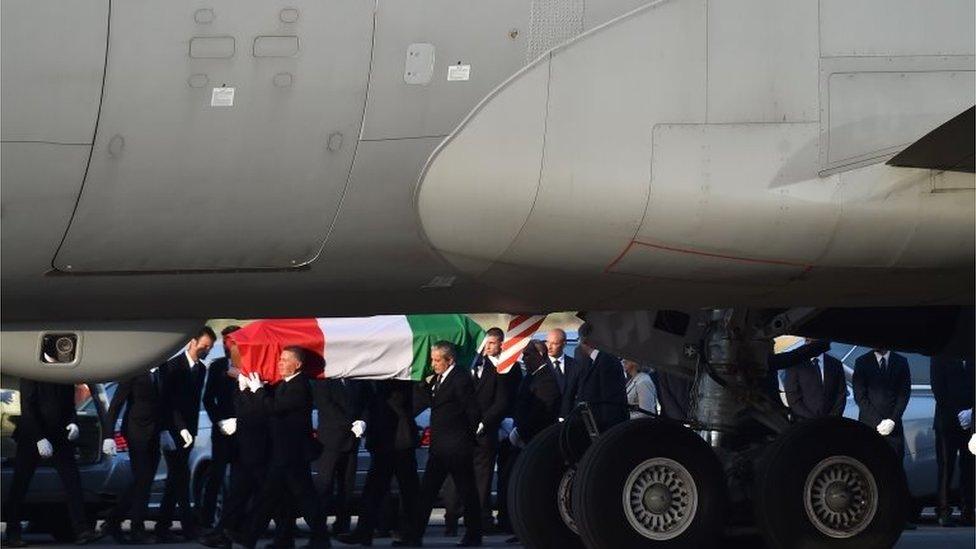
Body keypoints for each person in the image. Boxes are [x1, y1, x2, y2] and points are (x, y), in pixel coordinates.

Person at [235, 347, 331, 549]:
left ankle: (252, 539)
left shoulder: (300, 386)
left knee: (287, 498)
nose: (280, 362)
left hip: (291, 454)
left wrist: (258, 390)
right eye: (280, 358)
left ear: (297, 364)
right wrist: (250, 387)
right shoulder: (285, 385)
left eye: (285, 359)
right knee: (281, 498)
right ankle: (282, 539)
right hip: (284, 453)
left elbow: (274, 407)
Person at [4, 380, 100, 547]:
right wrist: (39, 438)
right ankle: (12, 532)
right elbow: (28, 409)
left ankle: (82, 530)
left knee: (73, 481)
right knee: (20, 484)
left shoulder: (62, 374)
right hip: (31, 437)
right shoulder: (31, 374)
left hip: (59, 436)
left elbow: (69, 403)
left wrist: (73, 422)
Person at [412, 341, 482, 547]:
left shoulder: (460, 379)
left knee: (467, 491)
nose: (433, 364)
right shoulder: (440, 378)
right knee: (427, 492)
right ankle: (414, 535)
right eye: (432, 360)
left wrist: (465, 438)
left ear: (449, 360)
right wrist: (424, 385)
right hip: (440, 448)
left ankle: (474, 534)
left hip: (457, 447)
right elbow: (433, 402)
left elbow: (472, 411)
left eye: (437, 360)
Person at [337, 380, 420, 546]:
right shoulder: (372, 381)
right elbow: (364, 402)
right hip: (382, 440)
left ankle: (412, 535)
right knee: (373, 489)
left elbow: (408, 401)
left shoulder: (401, 379)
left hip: (400, 440)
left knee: (408, 490)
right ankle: (364, 532)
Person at [155, 326, 216, 541]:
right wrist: (172, 430)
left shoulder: (201, 370)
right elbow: (167, 403)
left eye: (209, 348)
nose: (206, 351)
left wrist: (189, 429)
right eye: (203, 346)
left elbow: (192, 403)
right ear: (192, 341)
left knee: (176, 480)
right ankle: (185, 527)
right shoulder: (171, 367)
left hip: (188, 432)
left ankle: (164, 527)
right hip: (172, 431)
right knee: (179, 479)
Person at [100, 369, 164, 544]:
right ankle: (137, 528)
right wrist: (108, 435)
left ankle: (113, 520)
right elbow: (116, 404)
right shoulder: (134, 372)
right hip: (137, 432)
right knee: (142, 479)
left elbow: (165, 403)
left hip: (154, 433)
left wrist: (167, 431)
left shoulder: (161, 372)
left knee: (144, 481)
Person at [311, 377, 366, 536]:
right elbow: (327, 406)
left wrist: (363, 421)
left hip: (351, 441)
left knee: (347, 485)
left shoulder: (357, 381)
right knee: (325, 485)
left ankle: (343, 524)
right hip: (330, 441)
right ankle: (319, 526)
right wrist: (351, 423)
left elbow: (366, 403)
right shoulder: (324, 382)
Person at [199, 325, 242, 530]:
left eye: (231, 341)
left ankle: (236, 519)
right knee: (216, 475)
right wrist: (219, 420)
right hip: (223, 429)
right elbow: (208, 399)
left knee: (240, 476)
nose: (227, 345)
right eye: (225, 341)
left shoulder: (249, 364)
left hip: (244, 429)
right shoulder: (217, 367)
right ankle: (207, 520)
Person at [930, 355, 975, 526]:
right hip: (946, 422)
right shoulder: (940, 357)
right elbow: (938, 389)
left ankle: (968, 511)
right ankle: (943, 511)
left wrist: (972, 412)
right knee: (946, 467)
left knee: (969, 467)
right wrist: (958, 413)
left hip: (971, 422)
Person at [560, 326, 629, 431]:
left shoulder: (607, 361)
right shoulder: (589, 362)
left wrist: (606, 431)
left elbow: (610, 400)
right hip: (591, 425)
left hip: (606, 428)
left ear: (585, 340)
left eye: (579, 340)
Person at [852, 349, 911, 459]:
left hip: (894, 428)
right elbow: (860, 397)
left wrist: (892, 420)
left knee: (894, 466)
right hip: (869, 426)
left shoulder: (901, 362)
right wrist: (878, 422)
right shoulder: (862, 362)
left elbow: (904, 394)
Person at [510, 340, 561, 446]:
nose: (523, 359)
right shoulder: (531, 377)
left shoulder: (547, 380)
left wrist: (520, 432)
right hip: (525, 436)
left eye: (527, 355)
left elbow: (541, 412)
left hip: (537, 439)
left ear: (540, 354)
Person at [782, 341, 847, 420]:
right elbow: (793, 397)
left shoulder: (835, 364)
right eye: (808, 340)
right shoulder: (795, 365)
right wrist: (814, 420)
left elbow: (841, 393)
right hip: (804, 423)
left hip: (831, 423)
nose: (809, 342)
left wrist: (832, 418)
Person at [545, 329, 577, 398]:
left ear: (564, 344)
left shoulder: (575, 364)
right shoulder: (541, 364)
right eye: (547, 342)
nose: (549, 347)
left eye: (554, 343)